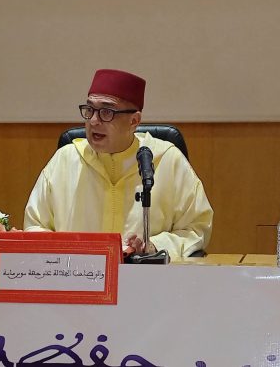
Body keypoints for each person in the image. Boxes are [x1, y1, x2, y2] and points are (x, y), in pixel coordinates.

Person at [24, 69, 213, 259]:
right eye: (89, 110)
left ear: (134, 121)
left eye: (107, 112)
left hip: (145, 275)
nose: (94, 121)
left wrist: (153, 246)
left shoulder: (167, 160)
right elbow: (34, 226)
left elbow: (196, 228)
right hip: (76, 273)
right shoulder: (64, 161)